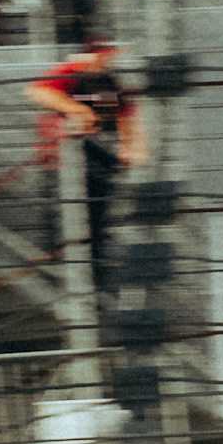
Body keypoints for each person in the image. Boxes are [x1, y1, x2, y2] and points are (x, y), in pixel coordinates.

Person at [28, 32, 144, 280]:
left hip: (98, 157)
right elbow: (39, 91)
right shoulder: (71, 72)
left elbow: (125, 114)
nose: (107, 60)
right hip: (63, 158)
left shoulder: (109, 81)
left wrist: (128, 147)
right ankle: (59, 268)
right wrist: (76, 109)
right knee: (62, 214)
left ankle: (93, 269)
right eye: (104, 55)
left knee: (97, 214)